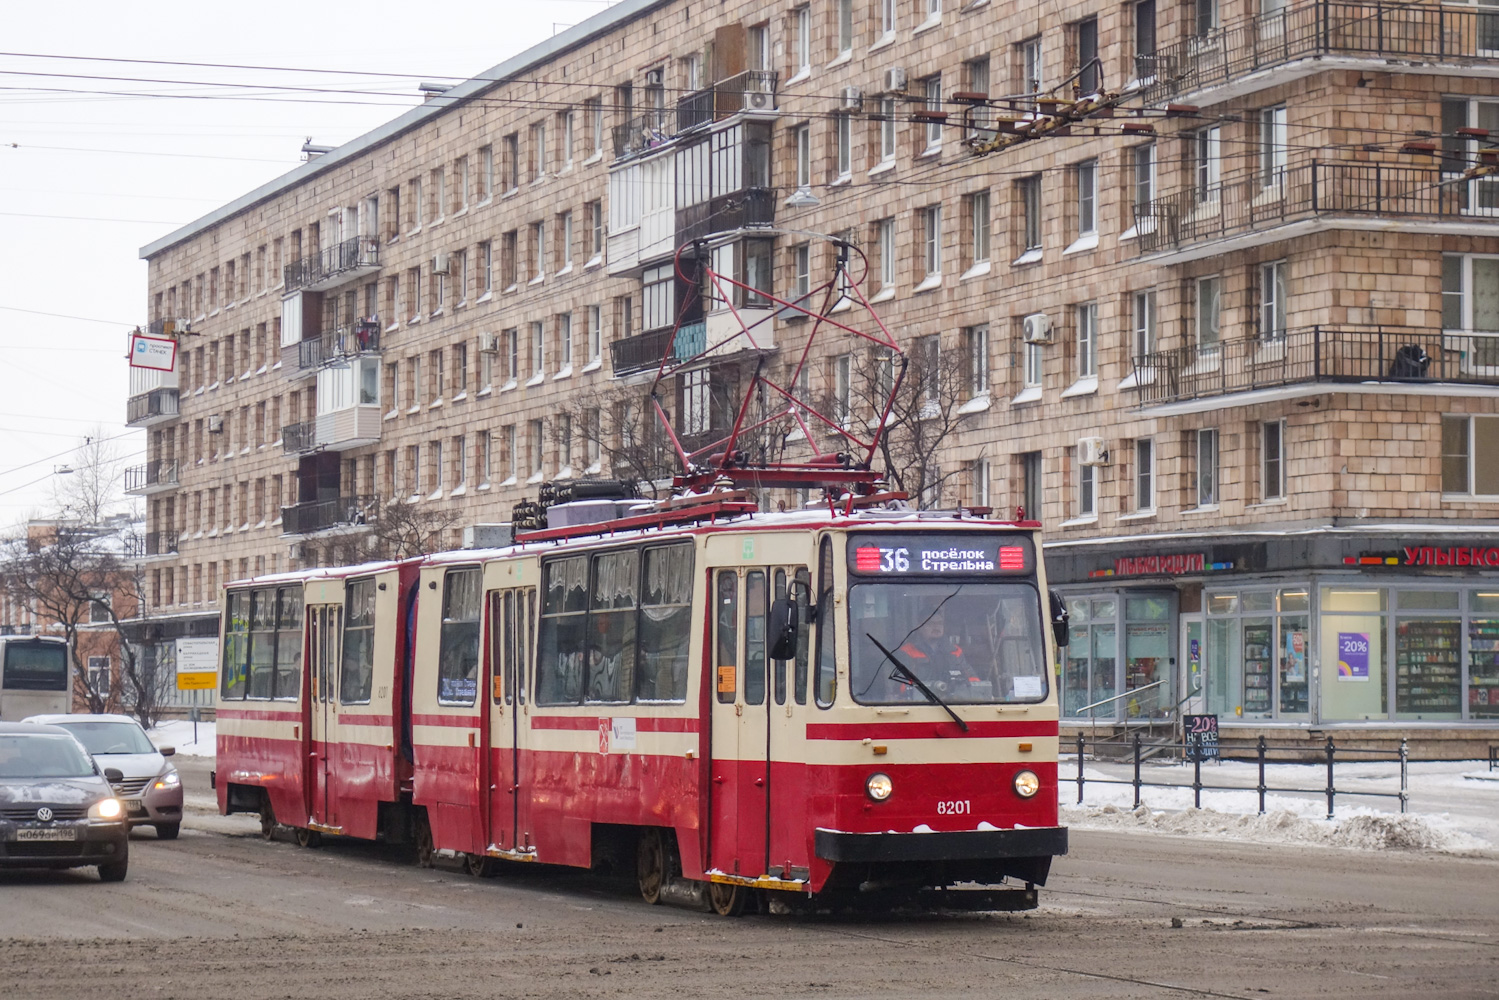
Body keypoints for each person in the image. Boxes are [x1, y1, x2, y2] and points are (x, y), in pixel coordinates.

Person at [892, 605, 975, 700]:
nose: (936, 627)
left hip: (953, 704)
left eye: (940, 623)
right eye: (931, 623)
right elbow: (901, 686)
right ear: (919, 626)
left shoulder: (955, 651)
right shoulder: (907, 652)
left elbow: (973, 681)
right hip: (919, 705)